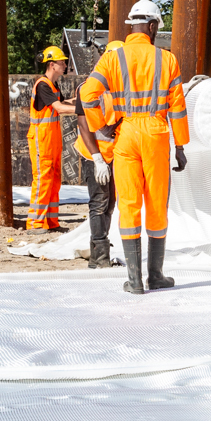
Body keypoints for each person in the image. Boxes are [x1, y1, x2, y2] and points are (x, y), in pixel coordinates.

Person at [80, 0, 189, 295]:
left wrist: (101, 124)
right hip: (155, 132)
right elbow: (177, 108)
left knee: (129, 204)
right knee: (156, 204)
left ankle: (135, 280)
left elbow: (88, 93)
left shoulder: (113, 58)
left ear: (131, 26)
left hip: (125, 133)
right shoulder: (167, 59)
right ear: (152, 27)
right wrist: (180, 146)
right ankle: (156, 275)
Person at [75, 39, 124, 268]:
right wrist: (97, 159)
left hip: (115, 154)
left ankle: (98, 255)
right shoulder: (89, 88)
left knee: (110, 203)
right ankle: (100, 258)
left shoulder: (122, 88)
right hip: (93, 154)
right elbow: (84, 126)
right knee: (99, 203)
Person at [24, 46, 73, 231]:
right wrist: (83, 109)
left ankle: (52, 223)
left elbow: (63, 103)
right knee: (43, 179)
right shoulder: (43, 85)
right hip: (41, 140)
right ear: (52, 65)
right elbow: (60, 109)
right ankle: (35, 224)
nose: (65, 65)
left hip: (51, 141)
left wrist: (84, 100)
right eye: (62, 62)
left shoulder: (52, 86)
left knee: (54, 180)